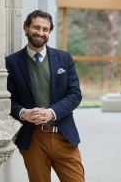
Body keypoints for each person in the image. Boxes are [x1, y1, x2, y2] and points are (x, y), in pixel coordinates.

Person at [5, 10, 85, 182]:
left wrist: (51, 112)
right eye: (36, 27)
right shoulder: (11, 63)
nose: (40, 33)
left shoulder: (64, 58)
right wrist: (22, 113)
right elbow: (6, 100)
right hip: (33, 139)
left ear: (49, 32)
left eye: (45, 29)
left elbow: (75, 94)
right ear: (26, 28)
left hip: (63, 135)